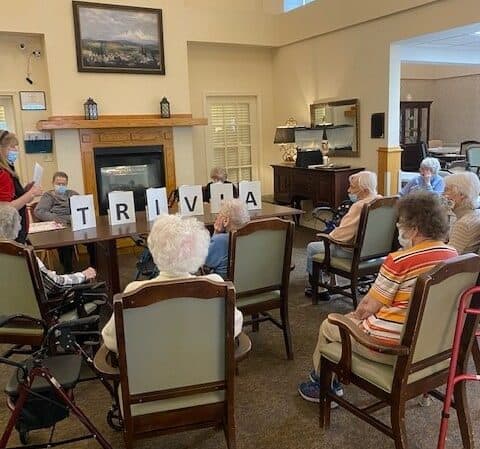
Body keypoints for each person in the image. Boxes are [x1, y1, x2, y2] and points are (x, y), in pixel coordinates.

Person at [298, 191, 458, 404]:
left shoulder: (400, 261)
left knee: (330, 324)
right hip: (434, 344)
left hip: (391, 348)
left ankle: (322, 385)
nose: (399, 228)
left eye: (402, 224)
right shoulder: (453, 256)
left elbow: (366, 307)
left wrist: (351, 319)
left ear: (414, 229)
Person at [101, 214, 244, 353]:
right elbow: (235, 326)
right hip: (205, 373)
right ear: (199, 250)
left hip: (152, 375)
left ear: (154, 250)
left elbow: (111, 340)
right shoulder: (216, 284)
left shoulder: (134, 291)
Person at [305, 171, 381, 297]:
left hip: (353, 254)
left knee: (313, 247)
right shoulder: (382, 202)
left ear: (365, 191)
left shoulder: (359, 206)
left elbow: (340, 236)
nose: (348, 190)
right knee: (327, 245)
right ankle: (333, 283)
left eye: (353, 187)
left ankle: (319, 289)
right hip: (375, 254)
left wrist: (328, 236)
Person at [0, 205, 96, 296]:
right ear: (18, 227)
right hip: (44, 307)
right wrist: (83, 275)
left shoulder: (8, 255)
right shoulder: (23, 254)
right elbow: (55, 284)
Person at [0, 130, 42, 243]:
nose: (16, 150)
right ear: (2, 149)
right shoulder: (2, 173)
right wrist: (30, 194)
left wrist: (25, 190)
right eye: (12, 147)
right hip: (10, 234)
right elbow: (6, 209)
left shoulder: (9, 169)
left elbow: (12, 196)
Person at [204, 199, 250, 279]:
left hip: (225, 288)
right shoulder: (251, 236)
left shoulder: (220, 240)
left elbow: (204, 262)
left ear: (225, 221)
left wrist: (216, 233)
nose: (216, 218)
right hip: (250, 285)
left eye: (218, 215)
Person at [444, 172, 480, 254]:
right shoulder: (476, 213)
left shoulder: (463, 224)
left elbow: (448, 256)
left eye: (447, 190)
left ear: (461, 194)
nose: (443, 194)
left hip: (457, 265)